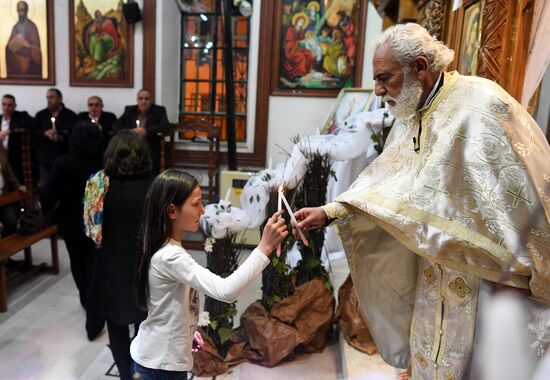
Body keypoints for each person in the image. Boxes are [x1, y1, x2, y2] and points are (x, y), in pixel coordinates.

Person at [295, 23, 550, 379]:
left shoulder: (482, 106)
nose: (378, 90)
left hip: (483, 277)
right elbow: (388, 179)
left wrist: (522, 271)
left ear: (418, 66)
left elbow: (525, 188)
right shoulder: (411, 111)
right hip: (433, 270)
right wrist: (331, 211)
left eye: (385, 78)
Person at [130, 169, 288, 379]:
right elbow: (226, 291)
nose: (202, 210)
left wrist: (186, 333)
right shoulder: (170, 257)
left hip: (164, 356)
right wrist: (264, 247)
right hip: (159, 365)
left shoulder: (166, 246)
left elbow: (168, 304)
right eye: (195, 204)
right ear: (172, 211)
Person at [84, 131, 155, 380]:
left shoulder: (97, 184)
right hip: (146, 265)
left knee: (115, 323)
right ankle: (142, 370)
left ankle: (127, 374)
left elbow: (91, 231)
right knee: (145, 322)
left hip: (110, 265)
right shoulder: (156, 185)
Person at [40, 121, 104, 340]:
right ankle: (98, 305)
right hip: (98, 224)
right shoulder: (104, 163)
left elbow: (48, 195)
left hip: (71, 223)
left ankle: (88, 303)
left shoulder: (63, 163)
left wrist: (47, 210)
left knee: (78, 264)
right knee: (95, 264)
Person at [115, 89, 170, 174]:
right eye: (140, 99)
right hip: (130, 143)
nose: (143, 101)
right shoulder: (130, 110)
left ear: (151, 100)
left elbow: (165, 125)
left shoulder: (159, 110)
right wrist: (130, 131)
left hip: (150, 143)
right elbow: (116, 125)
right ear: (137, 100)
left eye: (146, 99)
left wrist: (146, 131)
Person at [33, 89, 78, 187]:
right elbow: (34, 132)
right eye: (47, 98)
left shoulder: (71, 115)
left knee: (63, 186)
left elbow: (74, 135)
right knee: (46, 186)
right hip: (45, 159)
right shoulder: (40, 115)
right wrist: (45, 133)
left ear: (60, 98)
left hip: (64, 158)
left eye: (52, 97)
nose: (49, 100)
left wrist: (60, 137)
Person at [0, 94, 33, 183]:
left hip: (16, 156)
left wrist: (9, 131)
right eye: (3, 104)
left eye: (9, 105)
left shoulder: (21, 116)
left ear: (15, 106)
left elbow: (30, 123)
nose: (6, 108)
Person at [6, 1, 42, 79]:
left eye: (22, 10)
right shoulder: (15, 27)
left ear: (26, 11)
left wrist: (28, 45)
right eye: (19, 10)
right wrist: (10, 46)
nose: (21, 13)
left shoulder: (32, 26)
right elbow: (10, 44)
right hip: (16, 59)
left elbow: (36, 48)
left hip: (29, 59)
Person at [0, 146, 27, 237]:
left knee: (11, 222)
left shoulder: (1, 153)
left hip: (3, 195)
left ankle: (3, 246)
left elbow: (9, 173)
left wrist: (18, 186)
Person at [283, 13, 314, 81]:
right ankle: (300, 73)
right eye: (300, 21)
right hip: (290, 50)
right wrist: (298, 42)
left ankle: (308, 70)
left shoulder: (302, 31)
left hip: (298, 49)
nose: (301, 23)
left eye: (303, 22)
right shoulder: (290, 30)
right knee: (301, 56)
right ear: (296, 21)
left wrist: (305, 42)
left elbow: (302, 42)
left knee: (309, 54)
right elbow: (288, 43)